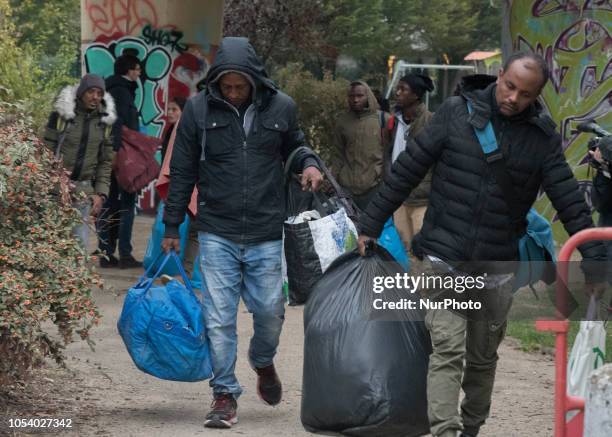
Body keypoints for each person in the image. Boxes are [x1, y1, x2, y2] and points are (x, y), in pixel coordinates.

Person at [357, 52, 607, 437]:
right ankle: (446, 431)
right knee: (447, 350)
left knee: (482, 357)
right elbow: (408, 169)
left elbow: (570, 201)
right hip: (442, 256)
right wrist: (371, 222)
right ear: (499, 75)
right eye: (509, 86)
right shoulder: (456, 113)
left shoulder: (541, 139)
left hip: (495, 266)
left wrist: (595, 261)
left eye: (525, 94)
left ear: (537, 95)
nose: (513, 98)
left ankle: (471, 425)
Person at [161, 37, 323, 429]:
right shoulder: (199, 110)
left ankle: (263, 360)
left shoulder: (281, 106)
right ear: (216, 82)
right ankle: (224, 394)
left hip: (267, 229)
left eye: (240, 86)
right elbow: (182, 170)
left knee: (270, 312)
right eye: (226, 86)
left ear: (254, 81)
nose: (233, 93)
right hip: (216, 229)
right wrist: (171, 225)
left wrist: (310, 164)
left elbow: (296, 147)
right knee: (218, 317)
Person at [44, 73, 116, 249]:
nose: (95, 97)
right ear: (82, 92)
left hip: (82, 192)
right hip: (56, 190)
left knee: (78, 247)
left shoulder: (105, 122)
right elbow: (45, 152)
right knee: (52, 245)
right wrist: (50, 183)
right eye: (91, 92)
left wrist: (100, 193)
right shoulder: (62, 115)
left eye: (99, 93)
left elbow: (105, 162)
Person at [96, 53, 143, 269]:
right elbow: (116, 124)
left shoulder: (112, 89)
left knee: (110, 204)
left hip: (114, 156)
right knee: (126, 204)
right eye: (136, 69)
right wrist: (115, 153)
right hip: (122, 158)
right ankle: (124, 254)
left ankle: (106, 252)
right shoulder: (122, 92)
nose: (139, 72)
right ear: (128, 70)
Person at [385, 73, 434, 259]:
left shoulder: (431, 121)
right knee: (402, 250)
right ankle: (405, 287)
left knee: (423, 252)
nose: (397, 92)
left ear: (415, 95)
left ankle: (424, 288)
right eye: (397, 88)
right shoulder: (393, 121)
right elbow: (388, 151)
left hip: (422, 200)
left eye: (403, 89)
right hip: (398, 195)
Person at [155, 95, 199, 275]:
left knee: (196, 231)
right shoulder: (177, 130)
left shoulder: (183, 127)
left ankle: (187, 273)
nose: (170, 113)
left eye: (175, 109)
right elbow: (175, 169)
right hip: (186, 188)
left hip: (192, 187)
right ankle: (187, 273)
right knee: (193, 232)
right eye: (169, 109)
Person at [331, 81, 388, 210]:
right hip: (346, 188)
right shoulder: (343, 121)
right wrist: (334, 180)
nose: (355, 100)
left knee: (371, 228)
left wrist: (383, 178)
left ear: (368, 96)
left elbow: (389, 153)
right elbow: (337, 154)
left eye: (360, 95)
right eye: (351, 96)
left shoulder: (383, 119)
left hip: (374, 187)